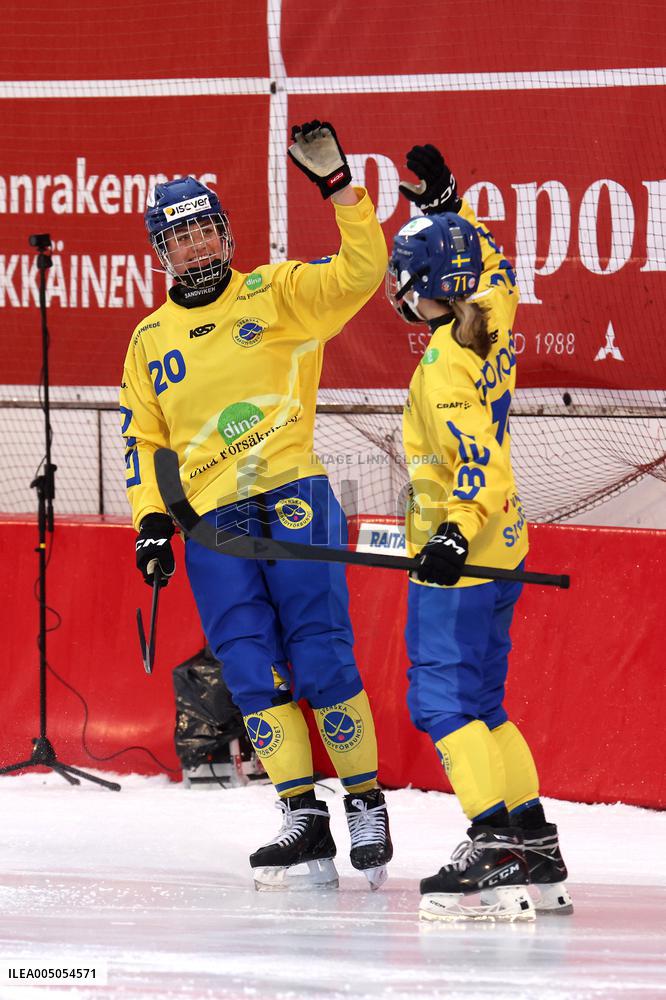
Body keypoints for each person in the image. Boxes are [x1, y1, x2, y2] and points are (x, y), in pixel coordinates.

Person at [120, 121, 392, 891]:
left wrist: (341, 188)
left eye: (207, 230)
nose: (198, 248)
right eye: (183, 240)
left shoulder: (277, 294)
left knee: (320, 650)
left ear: (225, 233)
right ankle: (302, 817)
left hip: (292, 492)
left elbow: (362, 270)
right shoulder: (148, 341)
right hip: (211, 522)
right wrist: (150, 522)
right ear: (161, 255)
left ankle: (366, 802)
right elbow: (146, 440)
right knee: (248, 666)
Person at [386, 144, 572, 921]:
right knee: (485, 703)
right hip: (507, 548)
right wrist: (451, 205)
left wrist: (452, 535)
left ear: (420, 288)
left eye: (403, 272)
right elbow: (492, 263)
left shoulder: (442, 365)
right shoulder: (492, 310)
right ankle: (532, 843)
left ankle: (491, 846)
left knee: (440, 701)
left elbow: (477, 461)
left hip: (461, 556)